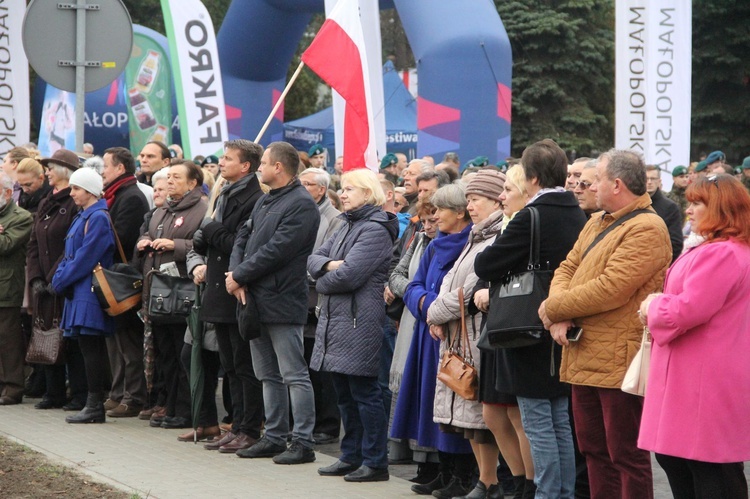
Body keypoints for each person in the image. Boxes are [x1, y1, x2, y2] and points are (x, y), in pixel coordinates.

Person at [541, 149, 671, 499]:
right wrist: (558, 311)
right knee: (594, 451)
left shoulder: (648, 228)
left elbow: (610, 289)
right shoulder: (597, 221)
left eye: (595, 179)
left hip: (618, 360)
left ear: (615, 184)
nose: (587, 186)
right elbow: (567, 268)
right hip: (585, 352)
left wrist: (553, 309)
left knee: (625, 454)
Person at [476, 140, 587, 499]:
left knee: (538, 421)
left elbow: (487, 264)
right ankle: (562, 492)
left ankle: (548, 494)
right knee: (559, 420)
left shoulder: (532, 214)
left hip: (527, 326)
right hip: (565, 322)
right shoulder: (577, 212)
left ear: (533, 177)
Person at [638, 173, 750, 499]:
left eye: (697, 203)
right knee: (682, 463)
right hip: (695, 377)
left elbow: (688, 309)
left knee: (708, 470)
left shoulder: (723, 253)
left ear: (721, 209)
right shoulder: (719, 249)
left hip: (704, 380)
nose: (689, 210)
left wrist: (653, 307)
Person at [227, 141, 320, 464]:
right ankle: (275, 436)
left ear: (278, 167)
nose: (260, 167)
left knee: (293, 373)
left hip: (282, 300)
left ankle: (303, 442)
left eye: (263, 162)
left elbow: (278, 250)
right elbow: (243, 236)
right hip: (254, 298)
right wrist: (235, 273)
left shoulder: (301, 204)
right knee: (267, 373)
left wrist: (239, 275)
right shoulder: (266, 201)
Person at [309, 168, 398, 482]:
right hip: (338, 320)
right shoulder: (346, 223)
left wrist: (322, 278)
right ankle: (351, 456)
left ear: (368, 193)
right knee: (345, 394)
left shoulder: (373, 229)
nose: (342, 194)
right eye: (342, 189)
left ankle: (375, 462)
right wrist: (330, 266)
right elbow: (313, 259)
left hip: (360, 321)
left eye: (349, 189)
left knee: (365, 393)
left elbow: (350, 275)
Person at [391, 184, 476, 499]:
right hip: (429, 334)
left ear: (459, 212)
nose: (435, 217)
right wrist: (428, 306)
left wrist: (434, 309)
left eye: (440, 211)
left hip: (453, 338)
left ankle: (463, 475)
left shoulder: (471, 245)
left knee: (456, 403)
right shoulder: (434, 245)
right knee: (432, 404)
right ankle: (443, 471)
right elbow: (412, 286)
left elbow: (461, 294)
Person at [428, 170, 507, 499]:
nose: (470, 205)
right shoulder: (477, 234)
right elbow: (449, 282)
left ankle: (491, 481)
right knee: (469, 420)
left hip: (475, 337)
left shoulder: (496, 235)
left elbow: (469, 288)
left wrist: (435, 312)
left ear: (495, 200)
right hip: (459, 335)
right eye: (470, 199)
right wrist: (440, 312)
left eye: (477, 200)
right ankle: (485, 482)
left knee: (480, 417)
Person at [193, 139, 265, 453]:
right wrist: (204, 234)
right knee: (230, 365)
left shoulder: (254, 198)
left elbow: (241, 243)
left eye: (227, 158)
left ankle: (250, 427)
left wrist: (209, 230)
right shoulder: (224, 192)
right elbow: (210, 238)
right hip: (219, 290)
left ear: (245, 166)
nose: (221, 163)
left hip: (237, 289)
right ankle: (236, 425)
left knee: (244, 364)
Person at [473, 165, 535, 498]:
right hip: (495, 325)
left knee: (516, 414)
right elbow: (488, 268)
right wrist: (485, 288)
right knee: (492, 414)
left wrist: (489, 289)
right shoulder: (508, 224)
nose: (501, 196)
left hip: (516, 324)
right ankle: (514, 480)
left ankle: (527, 485)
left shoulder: (530, 224)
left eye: (508, 190)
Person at [136, 161, 207, 430]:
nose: (170, 181)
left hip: (184, 291)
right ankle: (169, 405)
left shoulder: (202, 208)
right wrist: (144, 241)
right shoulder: (163, 208)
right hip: (158, 292)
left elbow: (201, 244)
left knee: (182, 353)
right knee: (165, 352)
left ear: (193, 183)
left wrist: (174, 245)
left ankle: (185, 410)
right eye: (169, 177)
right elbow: (148, 231)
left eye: (177, 177)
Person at [51, 168, 115, 423]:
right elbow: (72, 255)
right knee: (85, 347)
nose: (72, 193)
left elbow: (86, 257)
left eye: (76, 188)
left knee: (92, 349)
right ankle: (91, 403)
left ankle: (94, 405)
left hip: (87, 291)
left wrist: (60, 279)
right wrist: (61, 277)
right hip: (79, 290)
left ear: (89, 190)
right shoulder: (84, 215)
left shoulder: (97, 217)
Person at [28, 151, 86, 411]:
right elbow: (34, 243)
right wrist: (37, 277)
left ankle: (78, 394)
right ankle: (53, 393)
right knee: (46, 334)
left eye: (50, 168)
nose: (47, 172)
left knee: (69, 340)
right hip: (45, 283)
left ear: (64, 169)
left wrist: (55, 276)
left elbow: (72, 245)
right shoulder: (45, 201)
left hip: (65, 282)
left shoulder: (74, 201)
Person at [386, 200, 439, 474]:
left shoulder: (446, 244)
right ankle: (416, 458)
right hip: (412, 318)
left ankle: (433, 463)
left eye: (433, 221)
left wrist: (412, 293)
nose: (427, 226)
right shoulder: (419, 239)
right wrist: (415, 292)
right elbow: (395, 274)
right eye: (425, 221)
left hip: (430, 322)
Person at [100, 148, 150, 419]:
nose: (102, 171)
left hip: (124, 280)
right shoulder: (115, 195)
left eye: (106, 166)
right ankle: (118, 392)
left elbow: (119, 236)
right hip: (113, 280)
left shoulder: (131, 197)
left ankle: (134, 397)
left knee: (129, 342)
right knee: (116, 340)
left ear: (120, 168)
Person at [299, 167, 343, 446]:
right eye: (299, 183)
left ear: (322, 190)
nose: (301, 188)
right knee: (303, 361)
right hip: (298, 297)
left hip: (318, 297)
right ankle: (307, 421)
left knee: (321, 367)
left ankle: (327, 424)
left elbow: (326, 258)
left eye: (308, 184)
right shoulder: (300, 212)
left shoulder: (334, 219)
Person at [0, 173, 33, 405]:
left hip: (7, 285)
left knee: (8, 339)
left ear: (8, 193)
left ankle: (13, 387)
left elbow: (7, 245)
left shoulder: (21, 217)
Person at [645, 165, 684, 263]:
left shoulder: (670, 207)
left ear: (659, 181)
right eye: (646, 179)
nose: (649, 182)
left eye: (653, 179)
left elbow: (676, 243)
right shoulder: (631, 204)